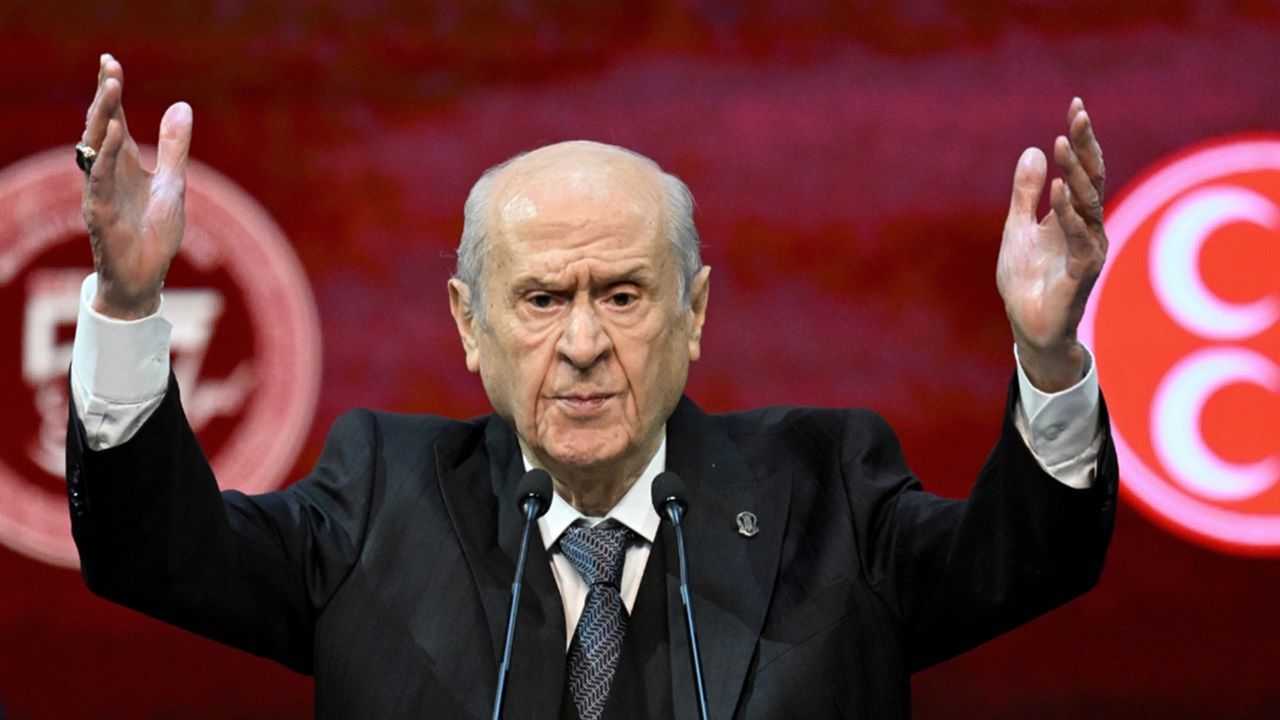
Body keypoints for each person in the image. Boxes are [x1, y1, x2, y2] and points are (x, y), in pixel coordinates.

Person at [67, 53, 1116, 719]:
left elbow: (1023, 561)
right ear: (468, 325)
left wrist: (1048, 360)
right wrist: (127, 300)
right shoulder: (377, 497)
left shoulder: (828, 487)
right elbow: (153, 553)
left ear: (693, 313)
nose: (580, 343)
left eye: (621, 295)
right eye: (539, 300)